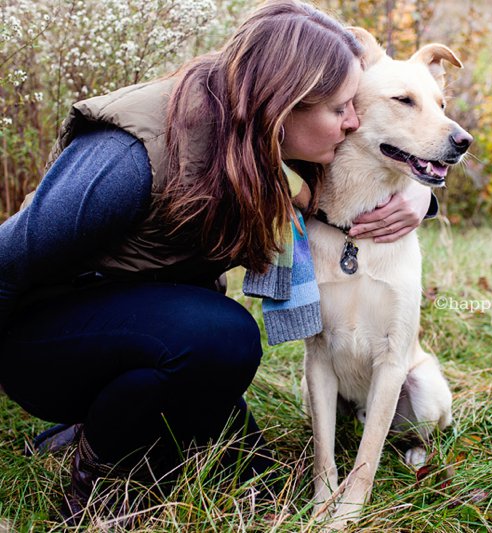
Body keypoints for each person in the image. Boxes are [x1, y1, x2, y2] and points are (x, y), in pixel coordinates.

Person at [0, 0, 436, 522]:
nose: (352, 121)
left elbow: (379, 159)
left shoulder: (265, 138)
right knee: (222, 337)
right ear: (286, 103)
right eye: (340, 108)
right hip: (41, 339)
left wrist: (424, 196)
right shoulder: (132, 157)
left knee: (256, 476)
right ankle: (96, 479)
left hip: (141, 327)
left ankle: (101, 425)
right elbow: (8, 262)